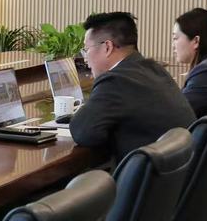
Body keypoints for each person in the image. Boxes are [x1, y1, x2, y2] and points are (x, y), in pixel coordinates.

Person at [70, 12, 194, 165]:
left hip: (148, 175)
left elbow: (82, 131)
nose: (85, 58)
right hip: (179, 173)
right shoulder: (154, 69)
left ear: (107, 47)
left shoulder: (116, 81)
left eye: (86, 49)